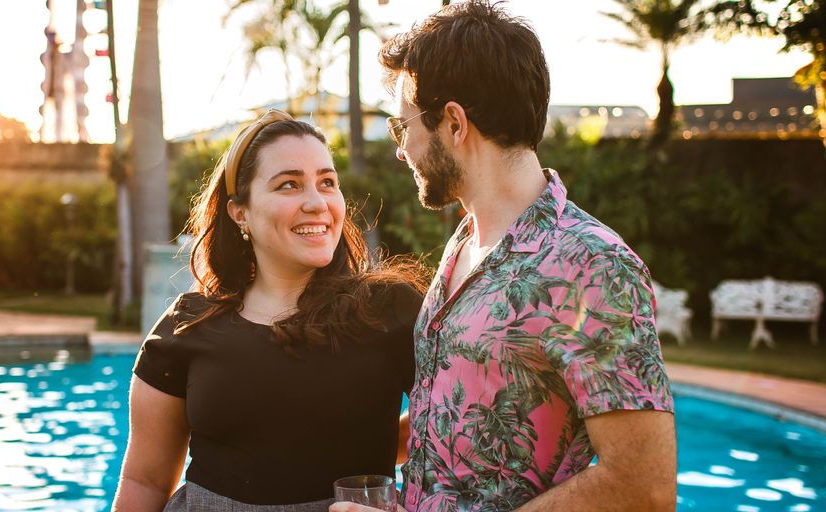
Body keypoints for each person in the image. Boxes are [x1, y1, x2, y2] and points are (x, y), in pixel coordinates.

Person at [332, 2, 676, 511]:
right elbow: (461, 415)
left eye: (403, 126)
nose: (401, 150)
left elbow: (642, 486)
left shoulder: (590, 264)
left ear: (453, 123)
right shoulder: (467, 243)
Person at [112, 110, 427, 511]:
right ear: (239, 212)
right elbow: (145, 480)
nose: (317, 203)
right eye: (289, 185)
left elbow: (452, 425)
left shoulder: (390, 310)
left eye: (328, 182)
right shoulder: (187, 324)